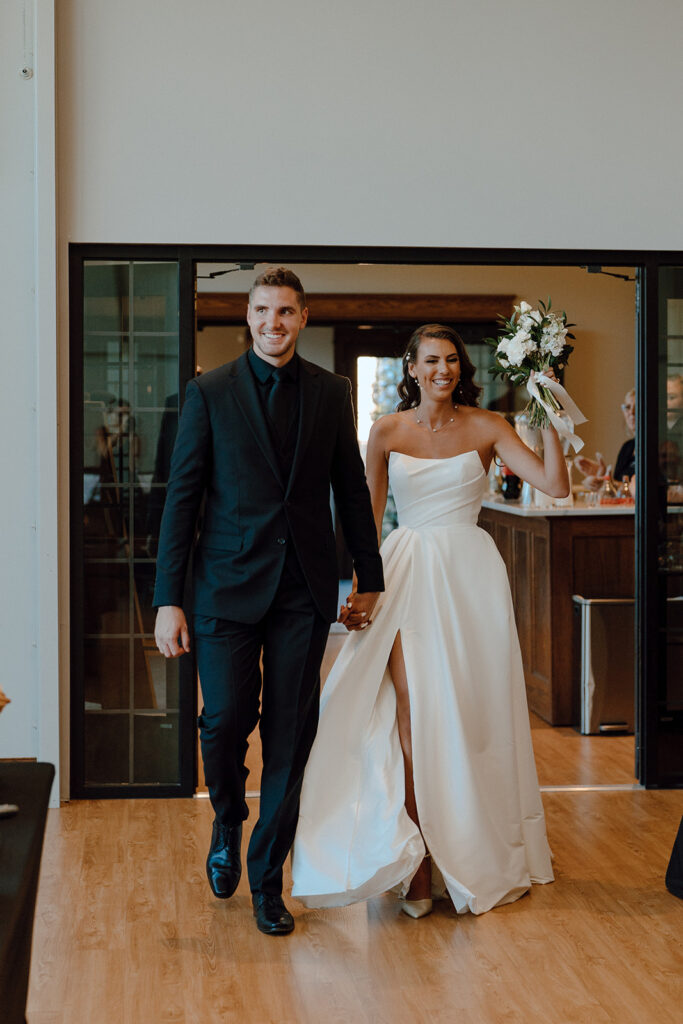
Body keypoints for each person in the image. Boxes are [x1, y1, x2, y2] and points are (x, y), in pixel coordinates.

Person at [292, 324, 568, 918]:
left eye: (451, 360)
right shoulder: (388, 430)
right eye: (431, 360)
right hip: (408, 571)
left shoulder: (492, 425)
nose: (442, 369)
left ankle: (464, 850)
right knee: (413, 718)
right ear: (411, 369)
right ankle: (417, 863)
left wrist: (549, 421)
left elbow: (555, 485)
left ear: (459, 367)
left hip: (471, 578)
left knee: (469, 713)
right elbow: (365, 515)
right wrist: (365, 587)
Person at [153, 267, 384, 936]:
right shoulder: (209, 392)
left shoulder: (330, 391)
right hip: (223, 586)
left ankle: (266, 880)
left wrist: (367, 576)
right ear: (246, 317)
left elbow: (350, 487)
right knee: (223, 720)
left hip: (303, 592)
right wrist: (169, 598)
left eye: (285, 311)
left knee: (290, 736)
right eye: (262, 311)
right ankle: (227, 817)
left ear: (302, 318)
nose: (273, 322)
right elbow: (182, 501)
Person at [574, 387, 635, 490]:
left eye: (638, 406)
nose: (631, 412)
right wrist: (601, 475)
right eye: (628, 407)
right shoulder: (627, 447)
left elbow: (649, 490)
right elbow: (617, 491)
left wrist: (608, 483)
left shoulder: (657, 446)